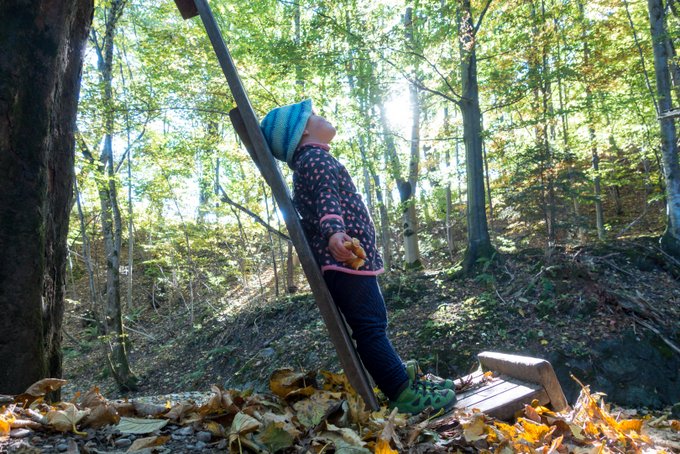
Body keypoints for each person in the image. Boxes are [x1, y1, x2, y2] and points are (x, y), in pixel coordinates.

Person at [260, 99, 457, 414]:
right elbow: (327, 197)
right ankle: (403, 393)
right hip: (344, 257)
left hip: (348, 261)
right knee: (370, 327)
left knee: (373, 323)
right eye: (314, 114)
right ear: (305, 130)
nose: (322, 116)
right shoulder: (315, 160)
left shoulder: (313, 159)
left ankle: (402, 378)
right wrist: (334, 231)